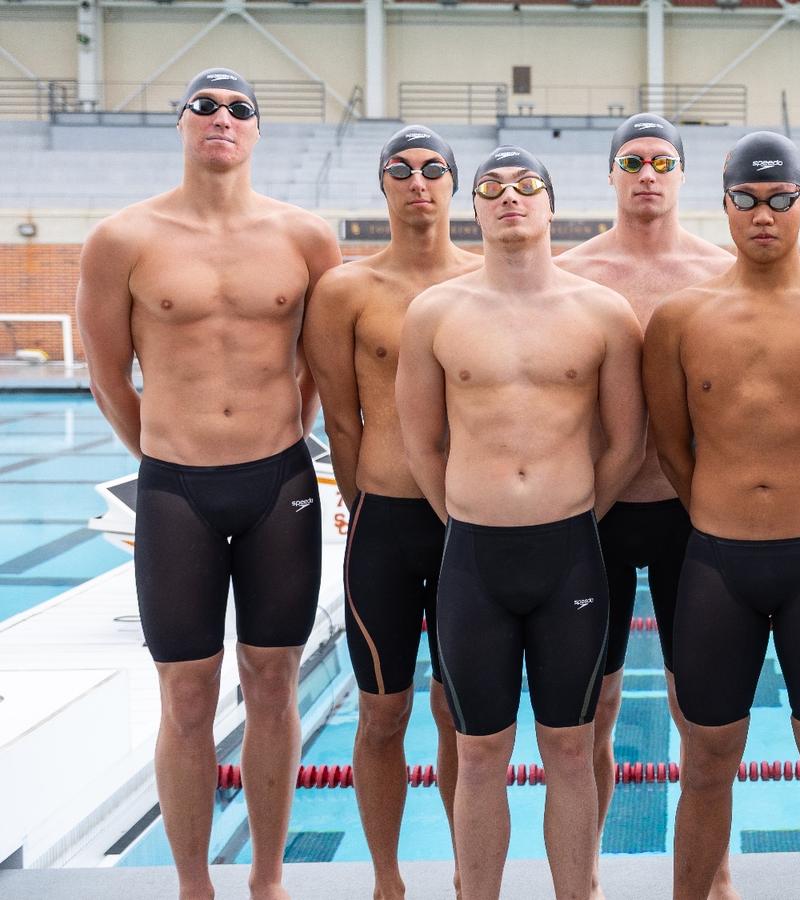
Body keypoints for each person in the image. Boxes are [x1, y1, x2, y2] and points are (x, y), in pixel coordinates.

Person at [75, 66, 341, 900]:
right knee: (187, 696)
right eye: (205, 107)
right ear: (183, 125)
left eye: (238, 109)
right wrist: (160, 450)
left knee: (273, 683)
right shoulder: (123, 239)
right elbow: (109, 374)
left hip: (279, 486)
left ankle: (266, 881)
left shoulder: (305, 236)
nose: (221, 119)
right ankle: (194, 885)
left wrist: (288, 434)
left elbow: (322, 365)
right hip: (175, 490)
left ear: (256, 131)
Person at [642, 131, 800, 900]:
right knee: (706, 759)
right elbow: (672, 447)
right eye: (748, 201)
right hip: (716, 563)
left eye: (780, 199)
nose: (764, 215)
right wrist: (718, 512)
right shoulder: (679, 319)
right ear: (723, 205)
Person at [395, 145, 646, 900]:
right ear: (473, 208)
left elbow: (626, 441)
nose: (511, 198)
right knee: (479, 754)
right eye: (493, 188)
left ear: (550, 204)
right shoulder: (435, 312)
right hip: (473, 557)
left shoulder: (602, 312)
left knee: (571, 750)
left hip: (569, 552)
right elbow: (422, 442)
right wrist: (472, 516)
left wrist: (567, 515)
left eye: (527, 186)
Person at [552, 113, 735, 900]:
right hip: (597, 513)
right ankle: (586, 870)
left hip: (691, 516)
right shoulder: (571, 273)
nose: (648, 174)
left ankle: (712, 872)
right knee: (595, 709)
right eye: (634, 161)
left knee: (706, 719)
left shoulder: (720, 272)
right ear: (612, 175)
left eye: (663, 161)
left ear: (684, 175)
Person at [303, 124, 481, 900]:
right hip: (385, 522)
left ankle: (464, 873)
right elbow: (339, 420)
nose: (418, 182)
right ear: (382, 185)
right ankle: (386, 880)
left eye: (434, 169)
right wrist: (360, 498)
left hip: (467, 529)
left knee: (460, 718)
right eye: (401, 170)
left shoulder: (486, 280)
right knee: (380, 716)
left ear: (454, 186)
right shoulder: (345, 290)